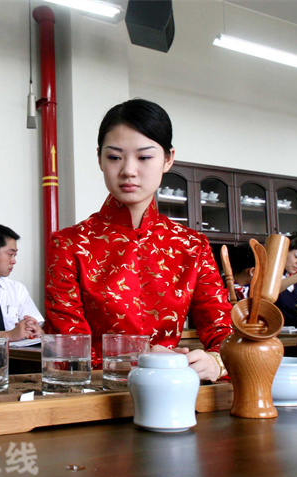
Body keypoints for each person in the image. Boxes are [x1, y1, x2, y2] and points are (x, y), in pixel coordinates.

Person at [45, 98, 231, 381]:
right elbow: (67, 352)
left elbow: (224, 332)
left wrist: (215, 361)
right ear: (99, 159)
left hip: (175, 392)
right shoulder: (69, 244)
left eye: (144, 158)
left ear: (168, 159)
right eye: (114, 157)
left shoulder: (192, 245)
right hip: (97, 397)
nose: (128, 170)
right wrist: (143, 358)